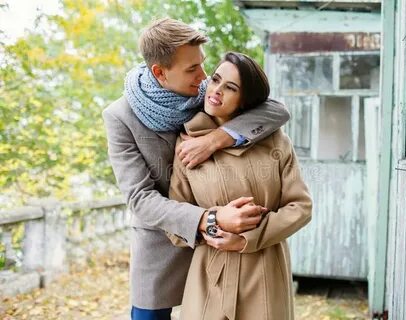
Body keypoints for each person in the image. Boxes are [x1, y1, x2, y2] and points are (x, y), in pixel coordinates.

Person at [102, 18, 290, 320]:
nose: (204, 76)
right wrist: (210, 218)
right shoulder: (119, 117)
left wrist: (218, 138)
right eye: (192, 69)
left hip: (223, 249)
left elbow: (276, 109)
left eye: (202, 65)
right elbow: (139, 198)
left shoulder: (206, 91)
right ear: (160, 73)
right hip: (163, 245)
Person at [169, 52, 312, 320]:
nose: (216, 91)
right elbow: (174, 223)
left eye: (230, 87)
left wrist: (248, 238)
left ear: (246, 100)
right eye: (216, 80)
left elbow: (300, 207)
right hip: (209, 278)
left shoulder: (276, 142)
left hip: (264, 273)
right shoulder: (186, 144)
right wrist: (213, 224)